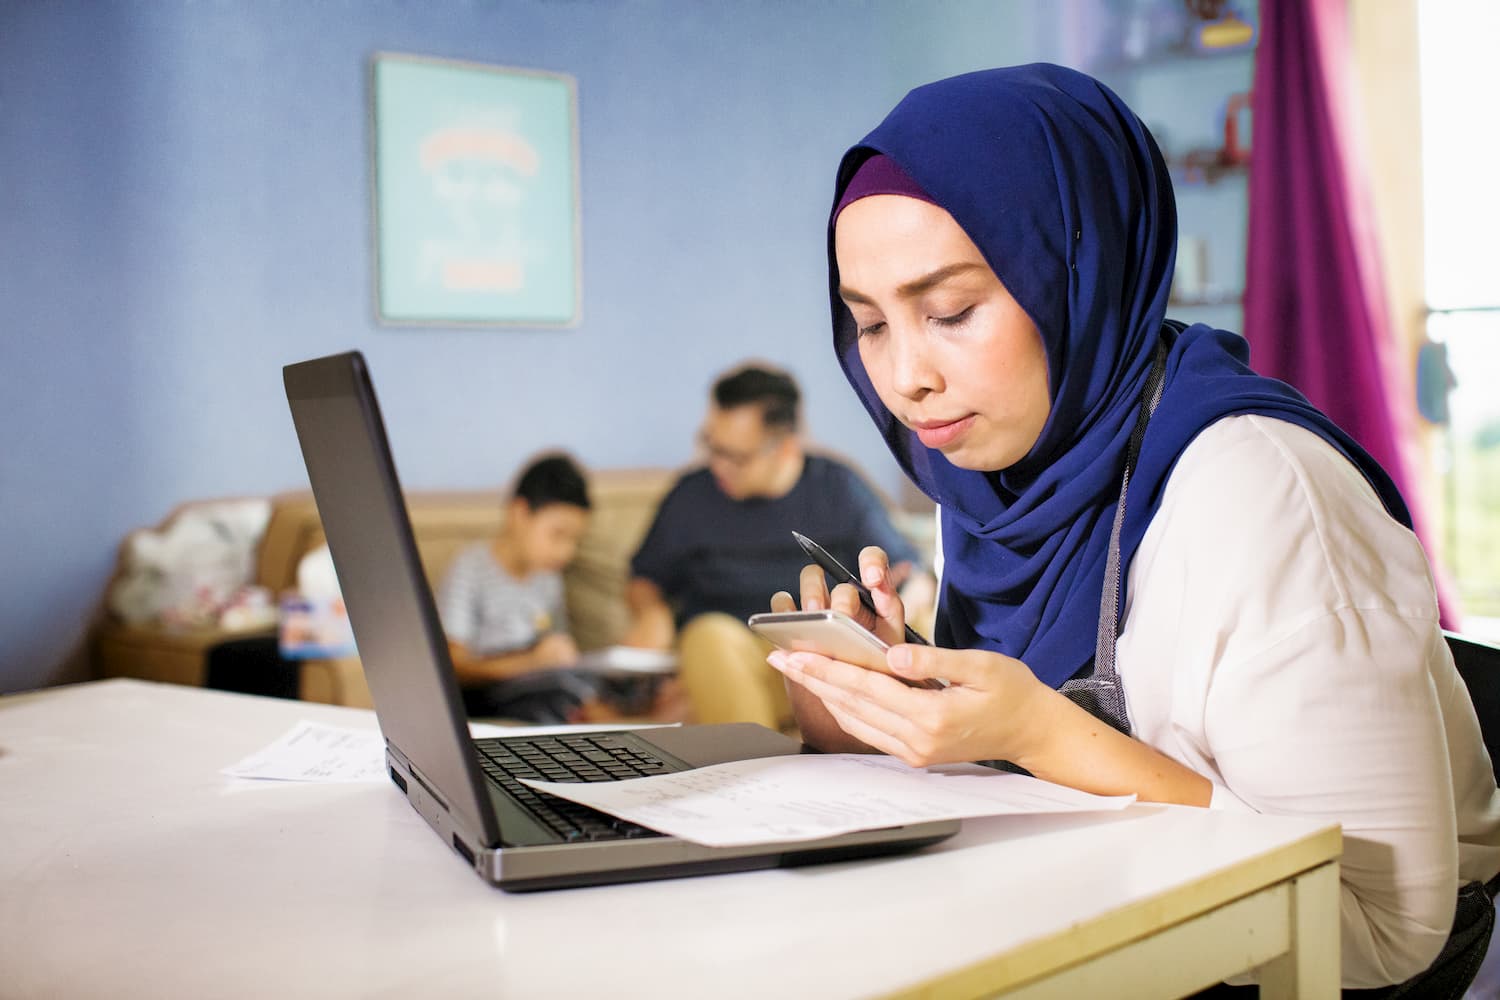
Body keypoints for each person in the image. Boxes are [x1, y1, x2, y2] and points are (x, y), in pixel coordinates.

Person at [764, 64, 1500, 993]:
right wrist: (877, 716)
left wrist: (1040, 734)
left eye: (949, 311)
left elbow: (1382, 927)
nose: (904, 375)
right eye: (869, 324)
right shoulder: (1005, 484)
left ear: (1079, 268)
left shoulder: (1261, 493)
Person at [623, 362, 933, 731]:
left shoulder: (837, 488)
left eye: (736, 457)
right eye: (712, 446)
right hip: (738, 654)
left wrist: (904, 603)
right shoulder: (691, 496)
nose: (718, 465)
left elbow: (910, 573)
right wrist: (650, 611)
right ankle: (753, 773)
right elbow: (643, 579)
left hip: (829, 653)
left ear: (785, 448)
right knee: (709, 635)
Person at [437, 453, 613, 723]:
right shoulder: (470, 567)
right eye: (558, 534)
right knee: (557, 695)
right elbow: (455, 665)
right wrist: (531, 662)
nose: (567, 551)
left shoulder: (548, 577)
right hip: (486, 690)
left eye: (575, 540)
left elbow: (553, 643)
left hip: (540, 681)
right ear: (519, 514)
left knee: (589, 682)